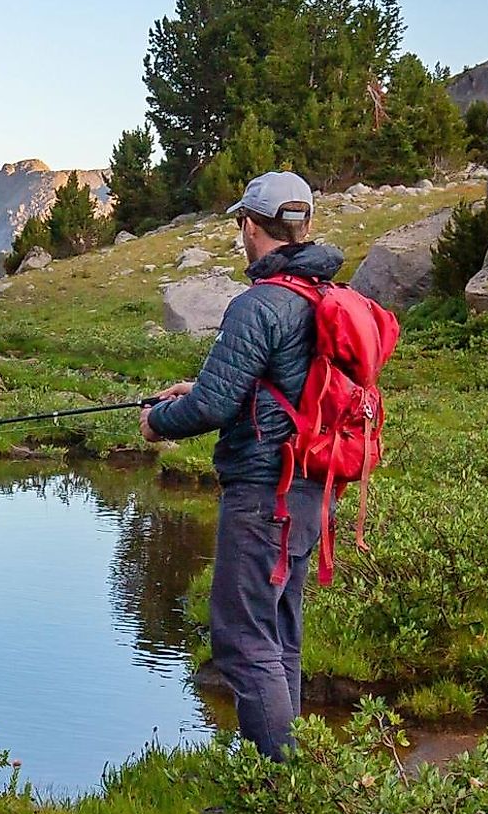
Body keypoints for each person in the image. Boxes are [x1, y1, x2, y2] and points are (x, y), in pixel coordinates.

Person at [139, 171, 344, 759]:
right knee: (280, 633)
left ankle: (272, 791)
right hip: (311, 488)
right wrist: (198, 387)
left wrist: (159, 422)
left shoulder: (259, 304)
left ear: (251, 226)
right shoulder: (323, 292)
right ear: (303, 226)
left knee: (243, 640)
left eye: (241, 224)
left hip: (264, 493)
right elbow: (275, 385)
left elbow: (213, 406)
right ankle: (288, 777)